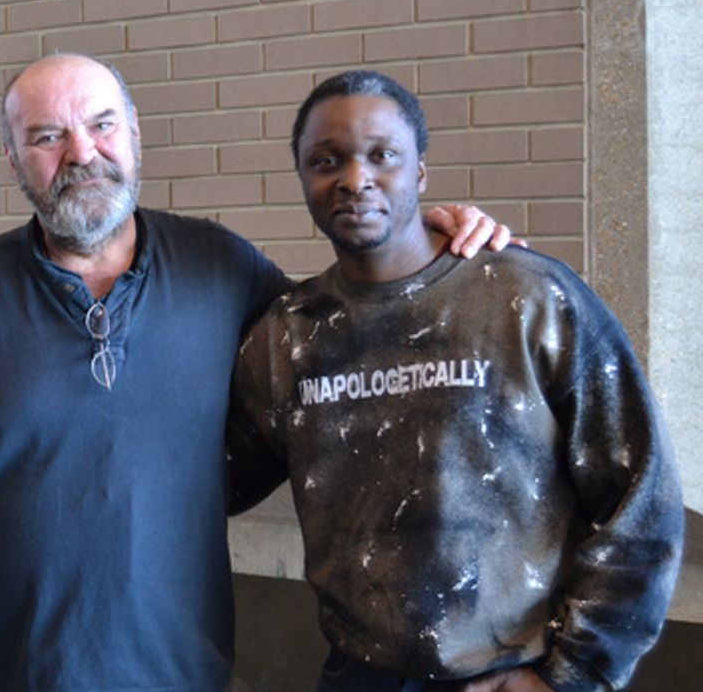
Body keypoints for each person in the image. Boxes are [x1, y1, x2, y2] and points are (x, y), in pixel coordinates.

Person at [0, 54, 510, 692]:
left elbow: (348, 329)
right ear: (13, 157)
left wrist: (424, 240)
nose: (82, 153)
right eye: (47, 136)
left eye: (102, 125)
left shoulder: (220, 266)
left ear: (135, 133)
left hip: (177, 672)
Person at [228, 70, 684, 692]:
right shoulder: (287, 338)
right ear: (305, 179)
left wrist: (572, 674)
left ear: (419, 173)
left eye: (382, 155)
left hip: (513, 675)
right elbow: (212, 480)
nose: (354, 179)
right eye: (326, 160)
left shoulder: (527, 297)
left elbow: (641, 497)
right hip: (358, 676)